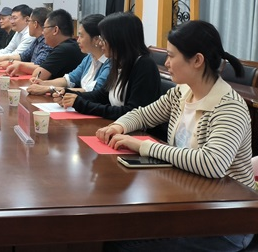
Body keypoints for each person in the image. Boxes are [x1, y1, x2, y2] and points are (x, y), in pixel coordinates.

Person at [98, 20, 255, 251]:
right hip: (190, 203)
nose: (166, 63)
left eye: (171, 56)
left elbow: (213, 163)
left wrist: (144, 146)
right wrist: (119, 126)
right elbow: (143, 115)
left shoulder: (229, 107)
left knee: (122, 244)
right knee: (115, 231)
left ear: (197, 60)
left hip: (227, 220)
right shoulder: (182, 92)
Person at [56, 12, 160, 120]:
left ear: (118, 39)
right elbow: (102, 95)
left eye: (104, 39)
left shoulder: (144, 66)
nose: (100, 43)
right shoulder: (118, 62)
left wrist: (81, 104)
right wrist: (70, 94)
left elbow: (132, 113)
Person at [27, 13, 110, 96]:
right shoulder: (89, 58)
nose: (78, 40)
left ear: (96, 39)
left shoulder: (110, 63)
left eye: (81, 36)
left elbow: (93, 91)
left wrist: (50, 89)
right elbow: (69, 79)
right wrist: (43, 83)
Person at [0, 7, 53, 75]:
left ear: (35, 24)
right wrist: (2, 58)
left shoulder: (47, 42)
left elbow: (39, 66)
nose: (28, 25)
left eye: (29, 21)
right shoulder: (37, 40)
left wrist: (12, 63)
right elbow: (23, 56)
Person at [30, 9, 86, 80]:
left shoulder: (63, 49)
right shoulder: (71, 45)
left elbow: (38, 76)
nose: (43, 32)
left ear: (55, 30)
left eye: (44, 28)